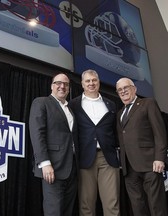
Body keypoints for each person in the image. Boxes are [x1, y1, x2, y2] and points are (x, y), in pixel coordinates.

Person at [69, 69, 120, 216]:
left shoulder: (111, 104)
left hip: (108, 158)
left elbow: (115, 131)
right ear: (82, 84)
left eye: (94, 80)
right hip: (85, 159)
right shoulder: (74, 104)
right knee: (86, 205)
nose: (91, 83)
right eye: (88, 81)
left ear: (98, 82)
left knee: (112, 203)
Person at [115, 77, 168, 216]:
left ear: (134, 88)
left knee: (157, 206)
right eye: (120, 90)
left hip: (150, 164)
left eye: (126, 88)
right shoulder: (120, 113)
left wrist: (160, 158)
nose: (123, 91)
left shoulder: (148, 103)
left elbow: (159, 133)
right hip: (129, 168)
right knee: (137, 208)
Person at [29, 73, 78, 216]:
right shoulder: (41, 102)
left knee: (67, 211)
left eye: (66, 84)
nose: (62, 86)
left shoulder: (70, 110)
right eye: (58, 83)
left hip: (72, 169)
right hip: (53, 168)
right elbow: (37, 133)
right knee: (53, 211)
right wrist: (44, 163)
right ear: (52, 86)